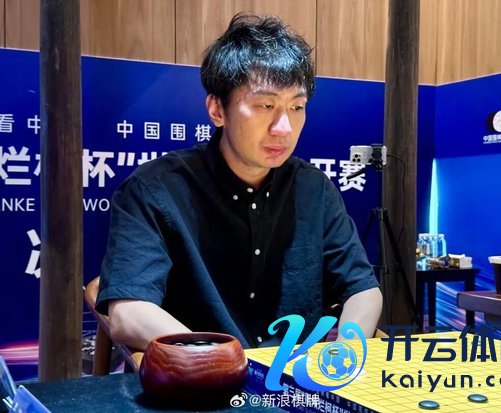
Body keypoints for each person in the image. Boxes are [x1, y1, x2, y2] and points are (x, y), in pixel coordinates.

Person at [96, 13, 382, 351]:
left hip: (298, 374)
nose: (284, 128)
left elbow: (363, 289)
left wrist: (346, 350)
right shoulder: (154, 190)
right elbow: (129, 313)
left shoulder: (313, 189)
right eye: (266, 105)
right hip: (203, 373)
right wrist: (222, 359)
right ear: (217, 110)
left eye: (297, 107)